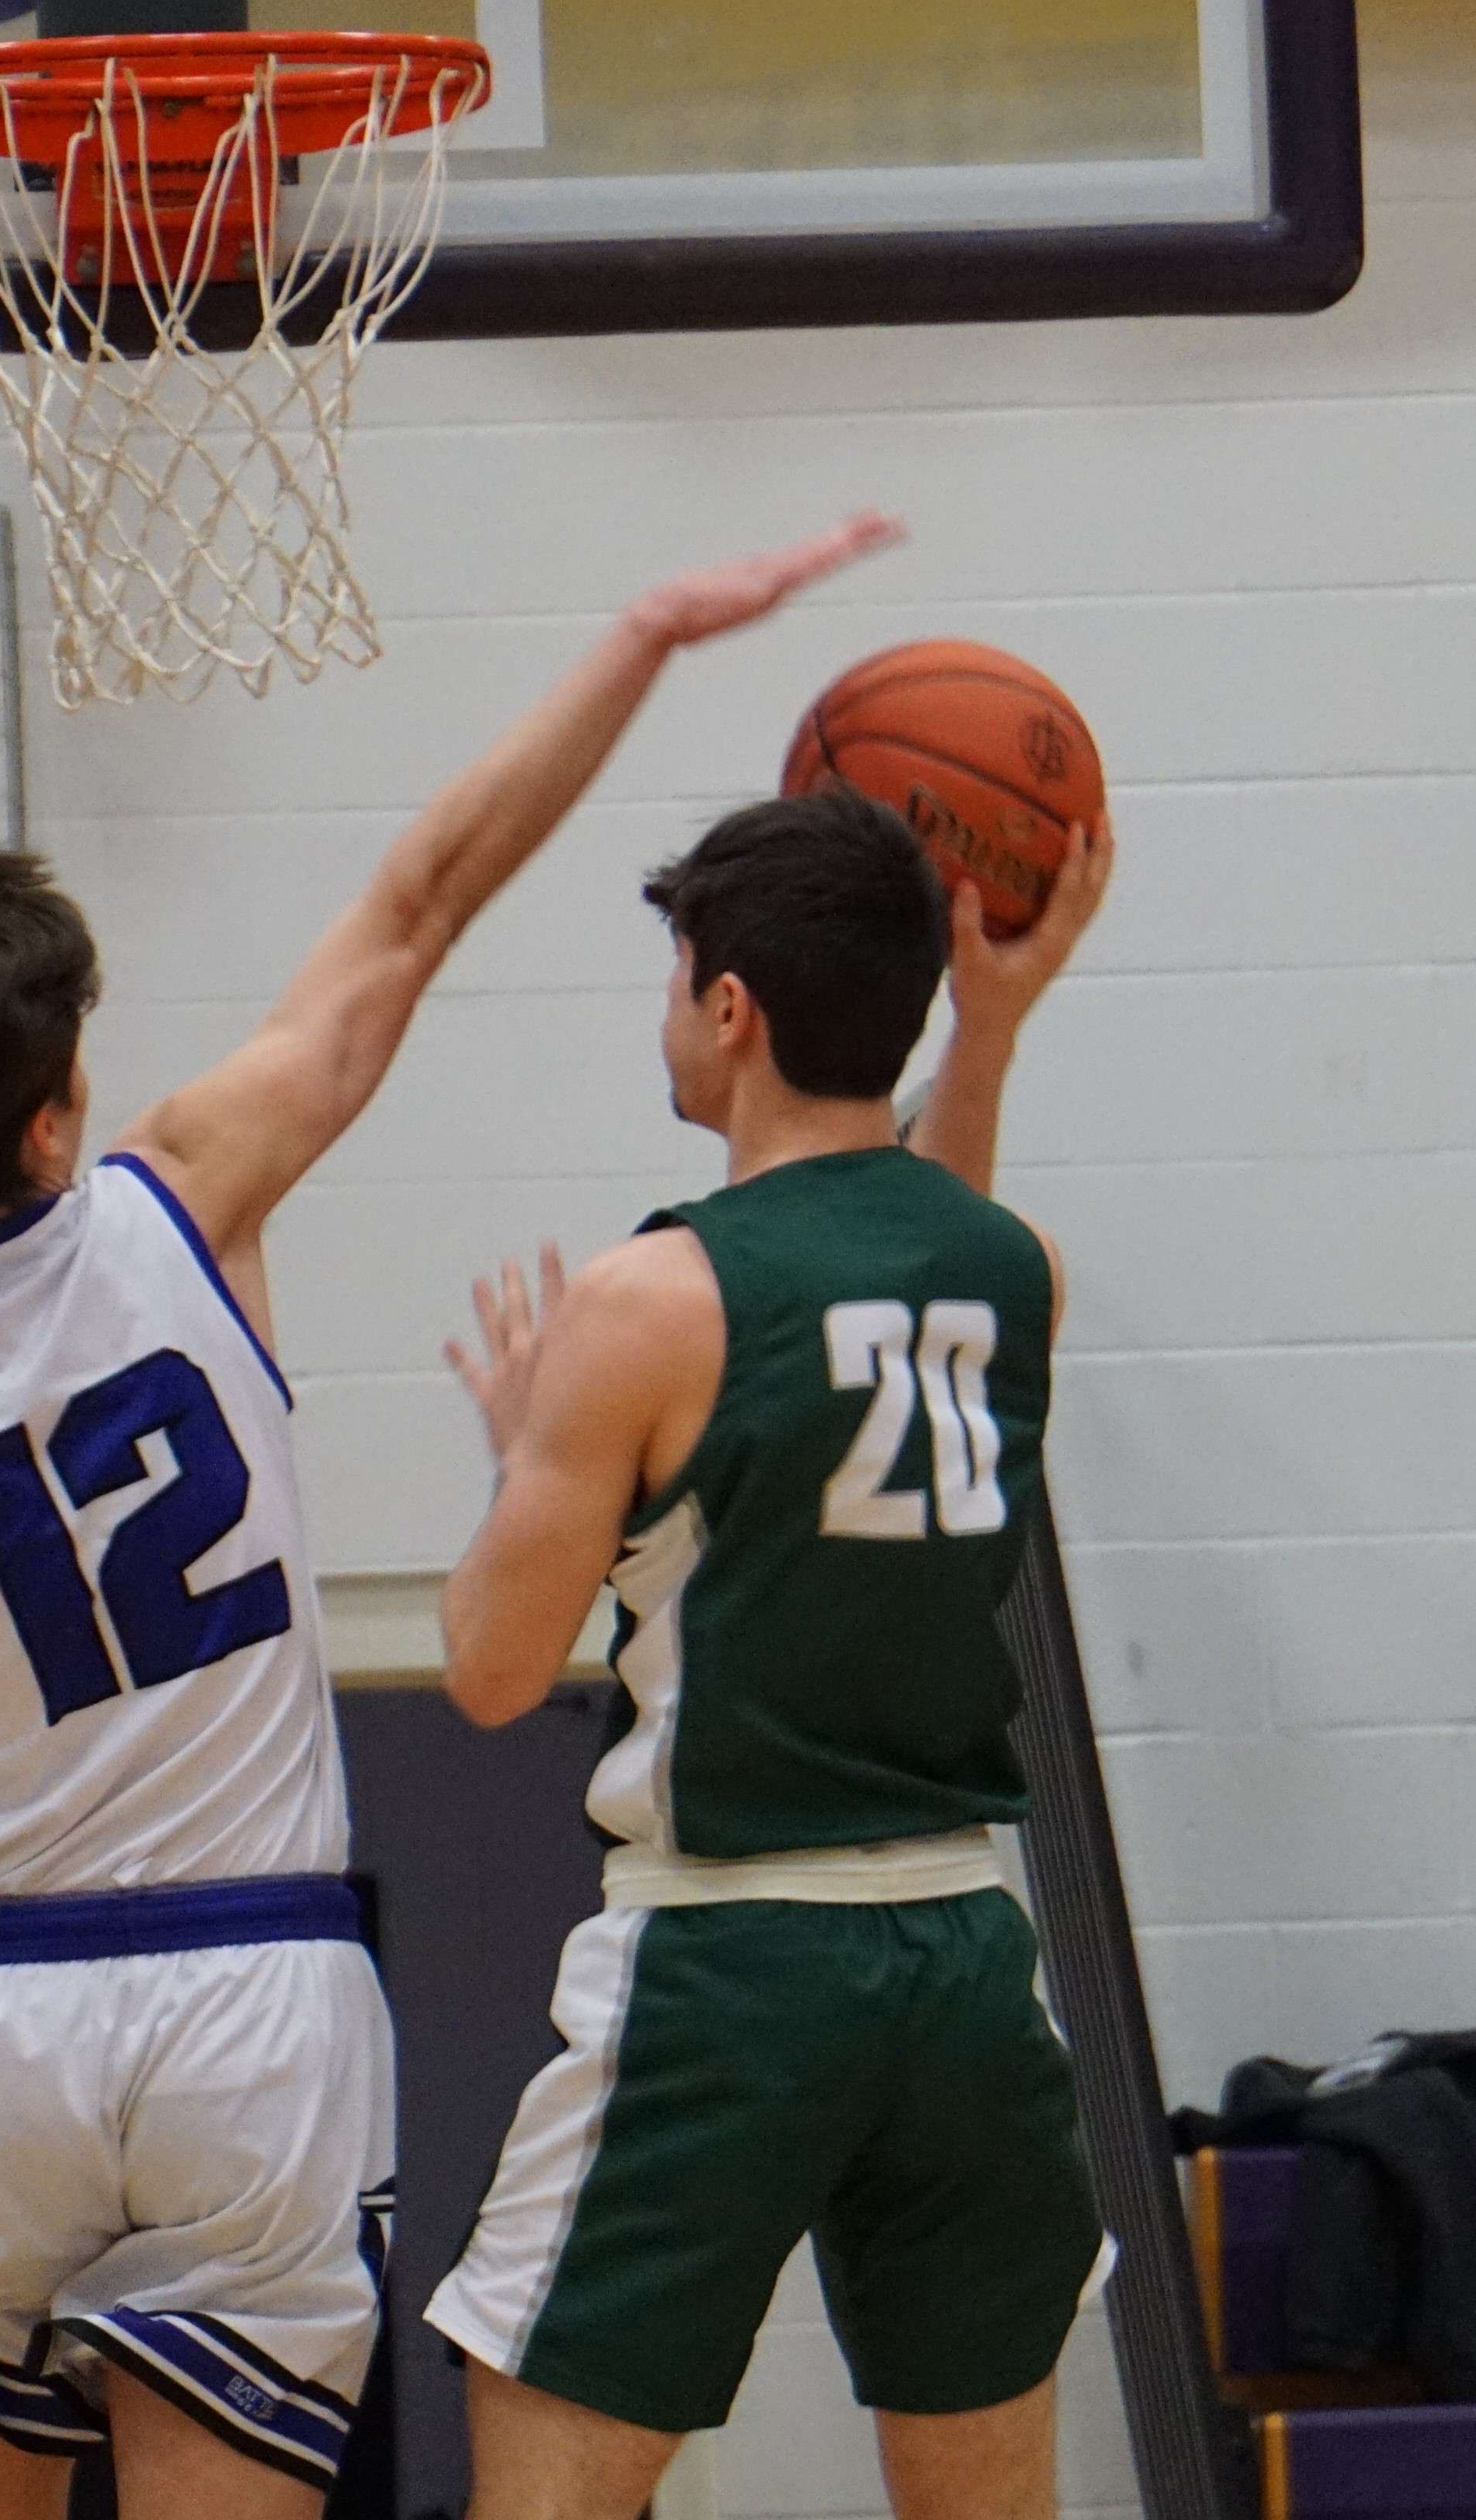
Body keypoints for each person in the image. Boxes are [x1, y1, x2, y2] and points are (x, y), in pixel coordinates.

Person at [0, 514, 900, 2520]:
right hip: (249, 2001)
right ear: (50, 1109)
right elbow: (421, 894)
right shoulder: (183, 1192)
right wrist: (633, 627)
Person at [423, 782, 1114, 2520]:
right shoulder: (1009, 1272)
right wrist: (995, 1027)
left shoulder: (648, 1301)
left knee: (538, 2456)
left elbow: (490, 1671)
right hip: (963, 1954)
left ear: (726, 1006)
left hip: (732, 1965)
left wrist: (525, 1458)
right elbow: (902, 1242)